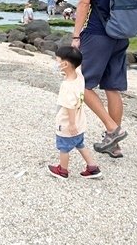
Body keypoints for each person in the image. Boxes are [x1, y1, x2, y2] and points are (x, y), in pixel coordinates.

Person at [72, 0, 129, 157]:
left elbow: (84, 3)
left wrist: (76, 36)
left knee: (83, 86)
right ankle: (113, 146)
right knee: (112, 87)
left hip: (98, 34)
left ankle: (113, 129)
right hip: (120, 33)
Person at [48, 45, 102, 179]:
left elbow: (70, 107)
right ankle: (92, 167)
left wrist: (71, 124)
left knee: (63, 147)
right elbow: (78, 65)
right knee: (80, 144)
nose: (57, 63)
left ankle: (63, 170)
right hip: (80, 121)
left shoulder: (67, 86)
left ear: (65, 64)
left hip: (68, 124)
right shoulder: (79, 76)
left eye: (58, 60)